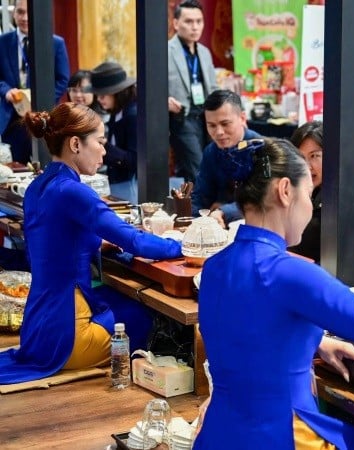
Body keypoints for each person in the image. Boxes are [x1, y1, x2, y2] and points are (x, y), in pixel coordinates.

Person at [193, 137, 354, 449]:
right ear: (285, 191)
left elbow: (248, 325)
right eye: (309, 194)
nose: (311, 206)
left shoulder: (215, 266)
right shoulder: (289, 271)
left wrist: (313, 340)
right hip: (283, 436)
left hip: (220, 433)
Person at [0, 103, 182, 384]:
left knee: (118, 299)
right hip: (69, 338)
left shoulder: (37, 187)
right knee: (148, 315)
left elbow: (57, 240)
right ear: (75, 144)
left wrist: (97, 245)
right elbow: (135, 241)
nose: (104, 151)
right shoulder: (74, 191)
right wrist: (181, 246)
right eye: (100, 142)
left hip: (36, 329)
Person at [0, 0, 70, 163]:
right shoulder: (3, 42)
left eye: (28, 12)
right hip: (12, 119)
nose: (25, 18)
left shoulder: (55, 43)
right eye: (20, 12)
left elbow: (62, 79)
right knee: (16, 167)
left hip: (44, 117)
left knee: (46, 164)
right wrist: (6, 91)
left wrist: (40, 101)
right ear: (13, 13)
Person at [191, 89, 261, 227]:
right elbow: (200, 196)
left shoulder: (261, 148)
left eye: (225, 124)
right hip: (215, 225)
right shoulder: (211, 151)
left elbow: (259, 199)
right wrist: (193, 222)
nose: (219, 132)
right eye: (211, 125)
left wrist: (223, 211)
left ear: (242, 118)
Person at [168, 0, 217, 184]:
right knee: (197, 167)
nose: (195, 27)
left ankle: (200, 199)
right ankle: (198, 201)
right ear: (176, 23)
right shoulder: (165, 51)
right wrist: (164, 100)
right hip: (182, 117)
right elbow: (147, 86)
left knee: (212, 163)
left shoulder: (204, 52)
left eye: (199, 21)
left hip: (206, 116)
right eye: (188, 21)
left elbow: (212, 87)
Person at [87, 62, 139, 203]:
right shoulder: (117, 111)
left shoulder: (133, 115)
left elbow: (136, 160)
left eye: (103, 95)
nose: (99, 99)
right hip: (117, 184)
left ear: (118, 93)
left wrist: (104, 146)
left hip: (130, 187)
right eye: (97, 95)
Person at [287, 120, 323, 262]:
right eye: (301, 158)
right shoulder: (290, 190)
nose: (307, 166)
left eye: (314, 156)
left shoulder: (339, 199)